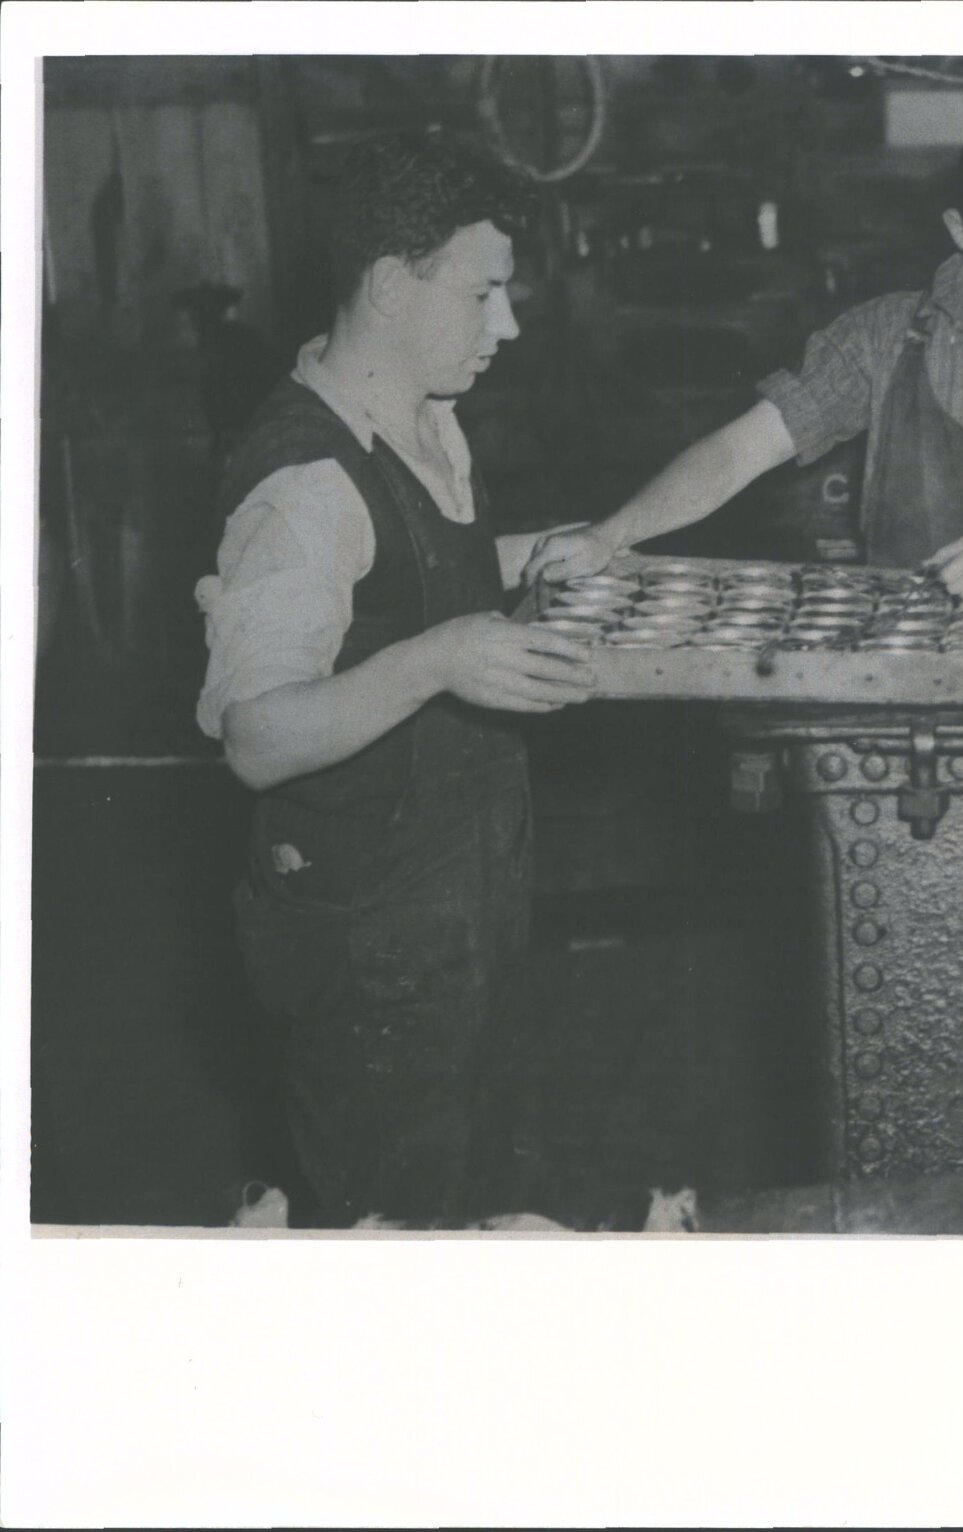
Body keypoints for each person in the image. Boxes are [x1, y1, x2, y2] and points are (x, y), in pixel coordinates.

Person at [194, 134, 595, 1227]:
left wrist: (549, 554)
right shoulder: (305, 483)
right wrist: (438, 659)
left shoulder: (423, 415)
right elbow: (255, 737)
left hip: (456, 924)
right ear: (387, 285)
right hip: (368, 956)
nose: (507, 325)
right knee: (393, 1241)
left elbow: (409, 572)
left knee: (482, 1207)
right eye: (483, 293)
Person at [524, 108, 963, 607]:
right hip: (907, 672)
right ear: (959, 231)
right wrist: (611, 533)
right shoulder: (883, 338)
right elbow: (738, 452)